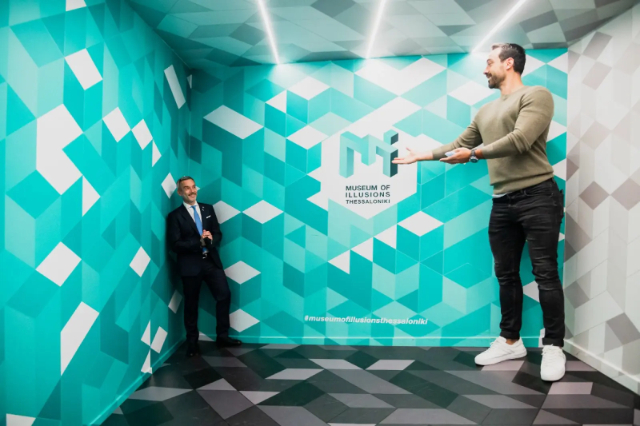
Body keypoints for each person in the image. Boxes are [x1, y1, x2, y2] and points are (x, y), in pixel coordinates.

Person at [393, 43, 566, 381]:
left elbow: (520, 140)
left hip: (538, 197)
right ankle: (511, 341)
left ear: (509, 62)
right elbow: (459, 145)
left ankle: (554, 346)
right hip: (502, 201)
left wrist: (473, 155)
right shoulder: (486, 111)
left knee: (545, 272)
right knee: (505, 274)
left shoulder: (536, 95)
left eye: (489, 62)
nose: (485, 69)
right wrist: (423, 155)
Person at [167, 176, 242, 356]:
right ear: (180, 192)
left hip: (211, 262)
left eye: (193, 187)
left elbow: (217, 233)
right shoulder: (175, 216)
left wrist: (210, 240)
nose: (192, 190)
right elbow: (175, 245)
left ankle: (222, 336)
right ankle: (192, 343)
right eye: (187, 188)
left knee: (224, 295)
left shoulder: (208, 209)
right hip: (190, 266)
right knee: (191, 304)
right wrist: (198, 242)